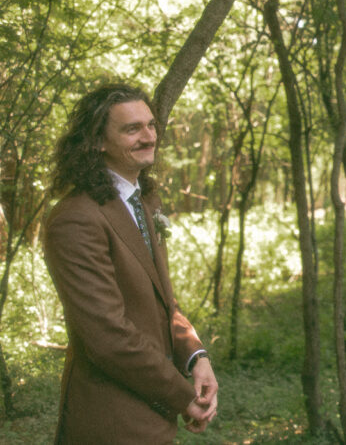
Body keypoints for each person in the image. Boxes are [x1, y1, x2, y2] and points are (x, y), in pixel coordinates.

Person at [44, 83, 218, 443]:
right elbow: (108, 337)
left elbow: (160, 300)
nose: (148, 136)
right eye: (132, 129)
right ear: (97, 142)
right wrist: (184, 397)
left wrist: (197, 357)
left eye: (151, 125)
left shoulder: (145, 201)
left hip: (152, 415)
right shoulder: (75, 219)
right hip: (110, 420)